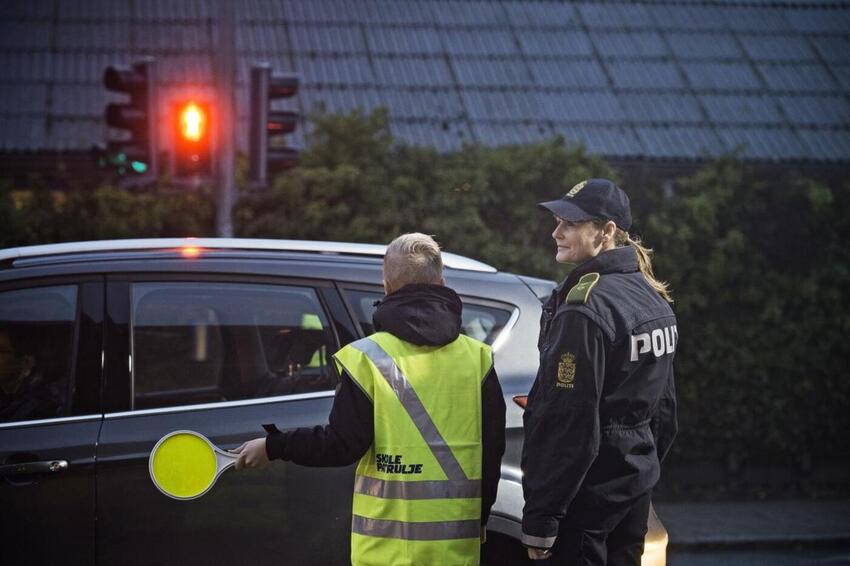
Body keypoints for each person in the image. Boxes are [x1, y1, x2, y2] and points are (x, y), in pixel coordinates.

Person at [233, 232, 506, 566]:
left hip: (384, 553)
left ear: (387, 287)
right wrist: (480, 516)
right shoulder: (476, 358)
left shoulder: (367, 358)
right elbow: (492, 448)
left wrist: (273, 445)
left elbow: (341, 445)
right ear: (442, 282)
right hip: (454, 552)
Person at [521, 179, 678, 565]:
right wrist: (640, 471)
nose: (555, 232)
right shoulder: (648, 296)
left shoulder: (585, 308)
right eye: (557, 221)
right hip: (633, 493)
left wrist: (542, 518)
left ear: (607, 232)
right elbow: (665, 413)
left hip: (587, 502)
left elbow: (569, 424)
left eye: (570, 224)